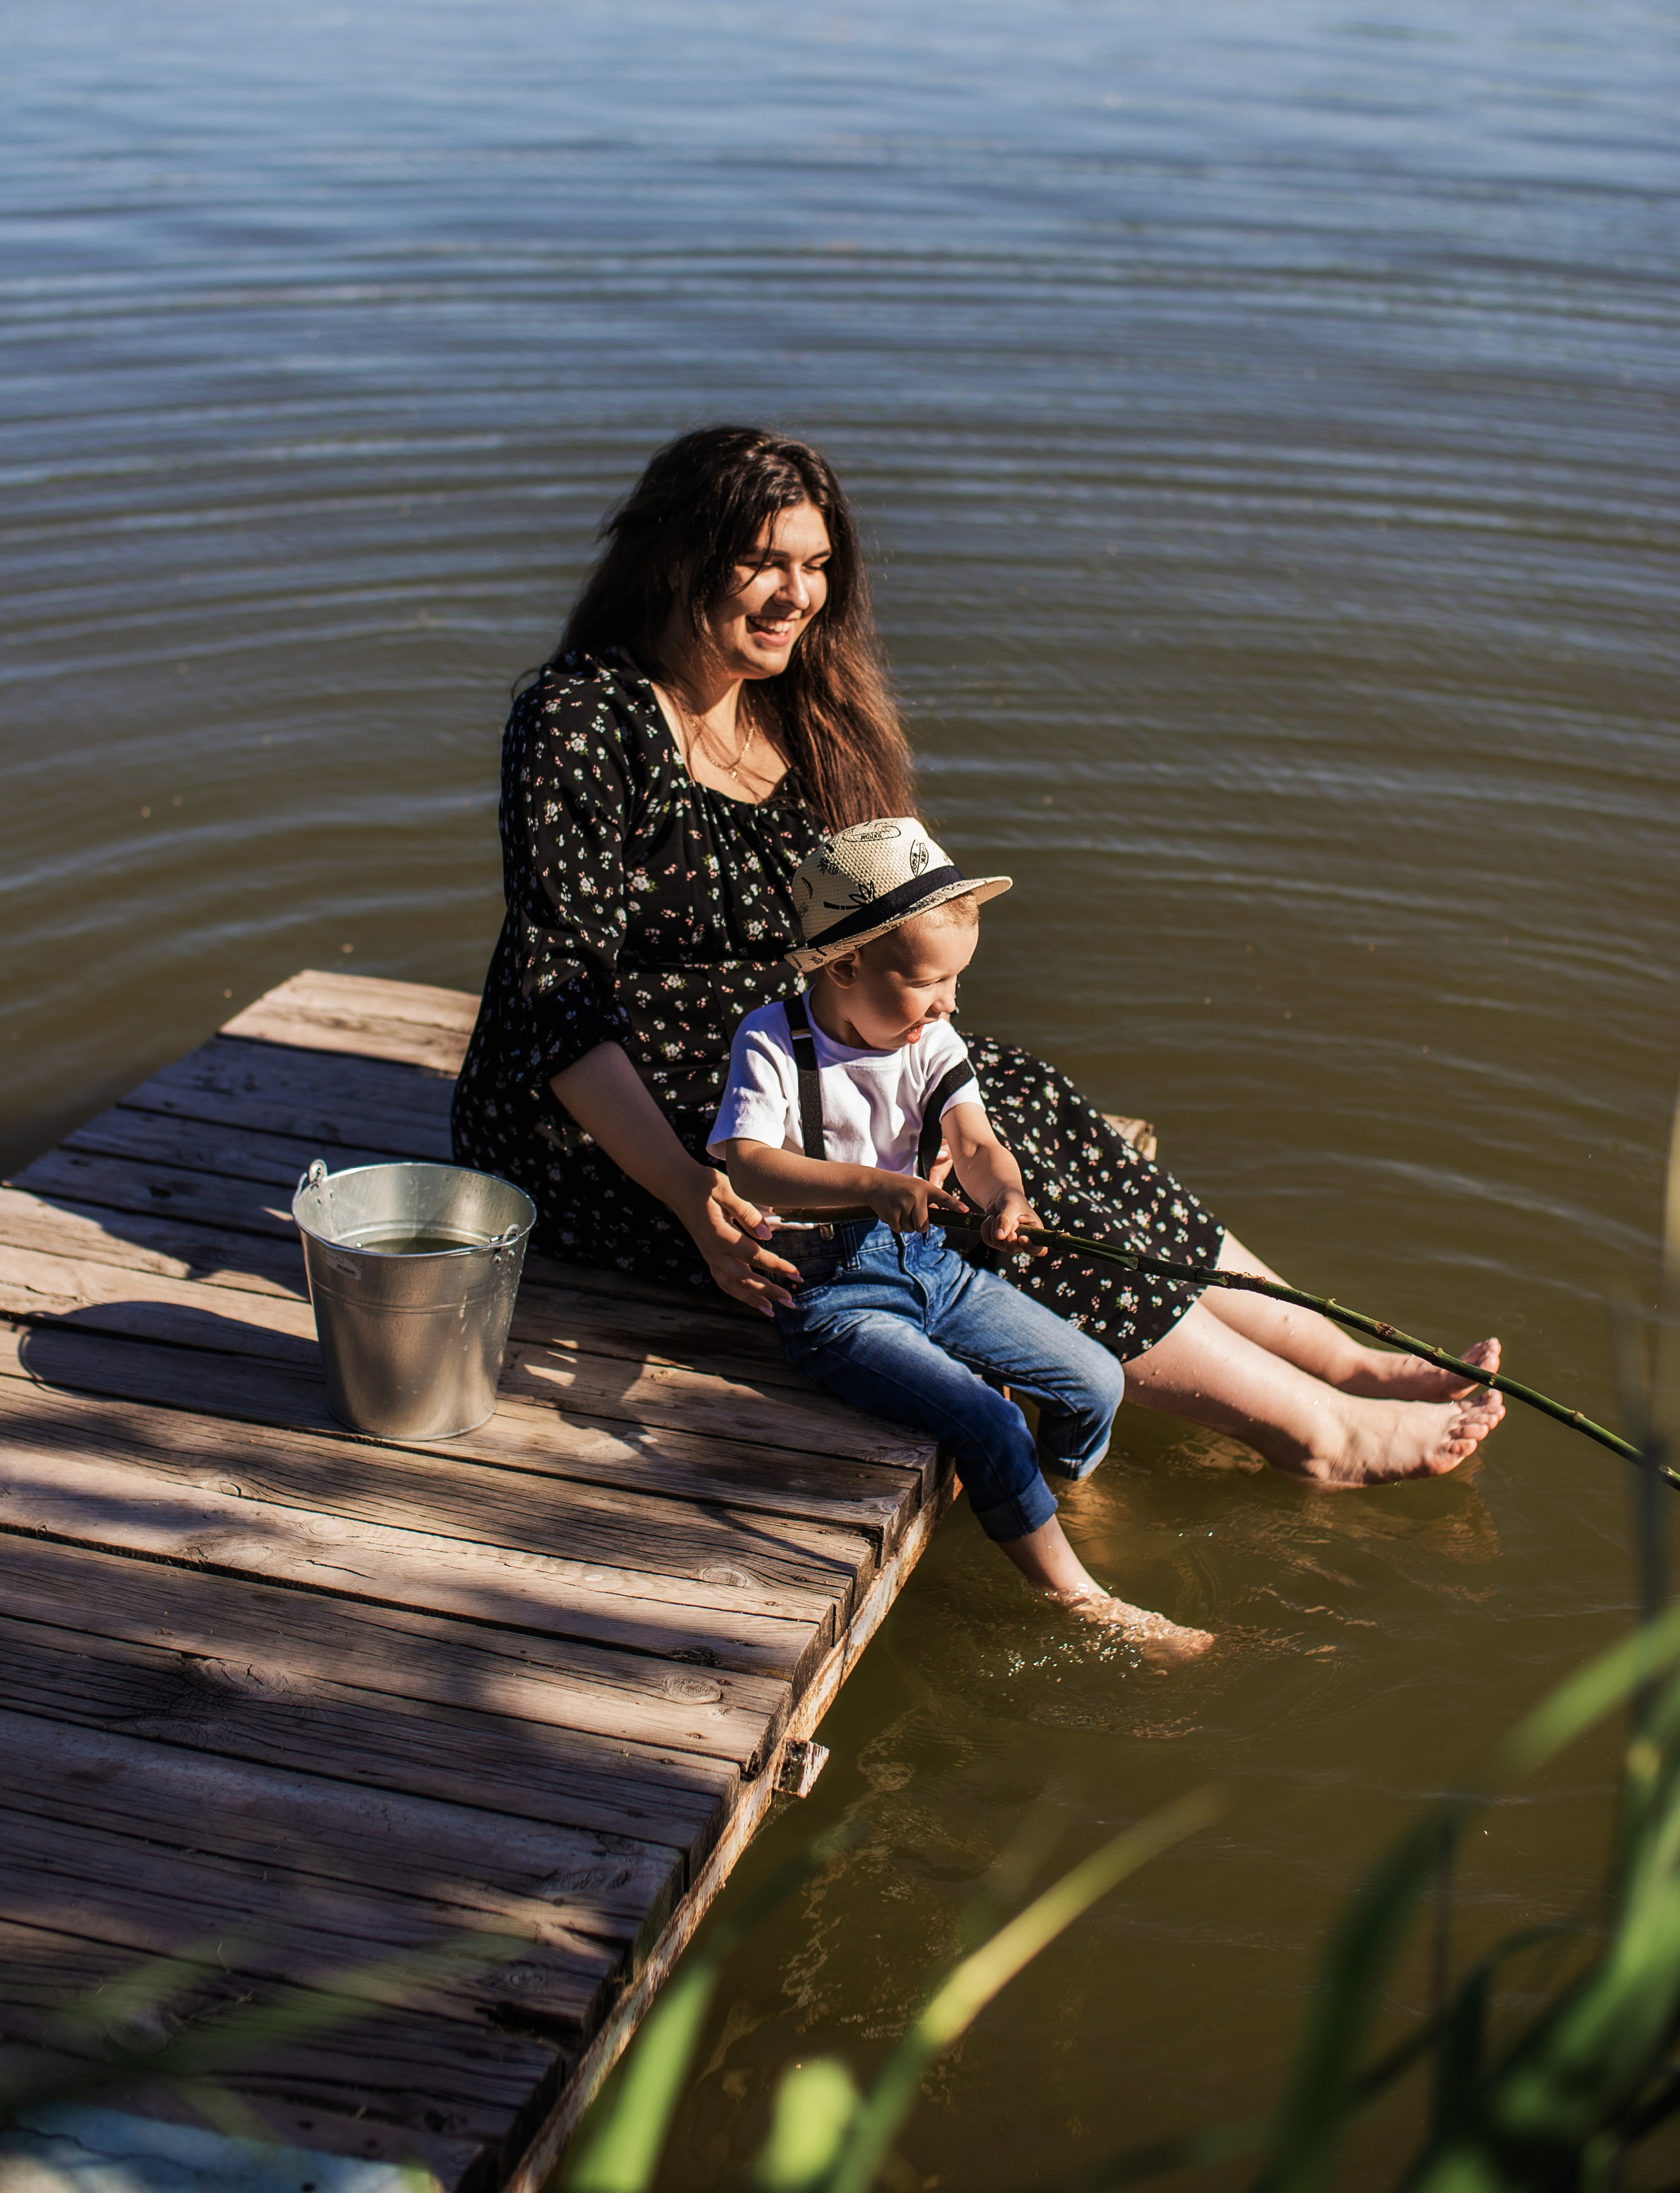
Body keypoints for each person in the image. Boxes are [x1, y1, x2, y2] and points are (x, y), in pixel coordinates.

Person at [452, 424, 1505, 1487]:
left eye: (816, 566)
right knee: (959, 1188)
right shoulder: (580, 721)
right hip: (613, 1116)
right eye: (763, 561)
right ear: (677, 556)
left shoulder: (802, 711)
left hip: (792, 1039)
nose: (795, 596)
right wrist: (691, 1195)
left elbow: (897, 944)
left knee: (1020, 1105)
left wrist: (944, 1085)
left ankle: (1340, 1358)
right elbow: (558, 1007)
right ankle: (1313, 1433)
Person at [709, 816, 1221, 1661]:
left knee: (1095, 1379)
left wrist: (1007, 1197)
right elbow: (753, 1168)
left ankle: (1055, 1496)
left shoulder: (930, 1036)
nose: (950, 1003)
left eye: (957, 981)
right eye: (930, 981)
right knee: (988, 1420)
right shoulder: (771, 1039)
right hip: (834, 1297)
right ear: (845, 966)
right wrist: (875, 1188)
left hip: (932, 1269)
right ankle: (1078, 1598)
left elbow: (976, 1144)